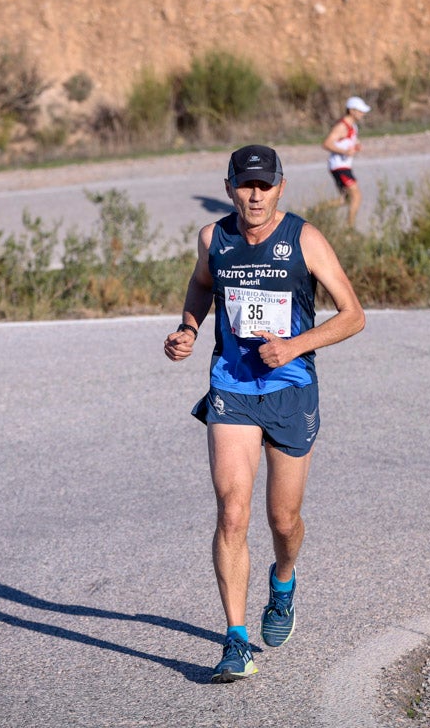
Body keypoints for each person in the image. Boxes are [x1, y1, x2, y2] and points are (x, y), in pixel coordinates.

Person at [163, 144, 366, 683]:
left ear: (280, 187)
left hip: (290, 389)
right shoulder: (213, 238)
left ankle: (283, 581)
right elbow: (202, 284)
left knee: (283, 520)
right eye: (245, 185)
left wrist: (295, 346)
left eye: (265, 185)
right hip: (231, 388)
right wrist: (188, 328)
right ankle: (235, 640)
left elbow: (353, 315)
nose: (255, 196)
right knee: (232, 513)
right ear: (229, 187)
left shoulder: (304, 239)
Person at [321, 96, 371, 229]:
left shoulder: (353, 126)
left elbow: (349, 142)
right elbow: (326, 143)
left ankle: (315, 211)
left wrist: (356, 146)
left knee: (344, 199)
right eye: (360, 111)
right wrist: (344, 152)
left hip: (344, 166)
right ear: (351, 111)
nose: (363, 114)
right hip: (339, 166)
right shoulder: (342, 126)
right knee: (356, 196)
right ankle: (350, 228)